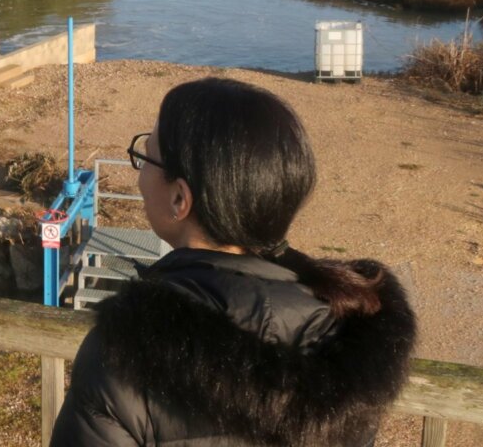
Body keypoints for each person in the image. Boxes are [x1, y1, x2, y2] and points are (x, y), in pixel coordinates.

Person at [51, 78, 416, 446]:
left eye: (147, 155)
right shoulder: (348, 341)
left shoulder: (123, 356)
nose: (140, 176)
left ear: (180, 198)